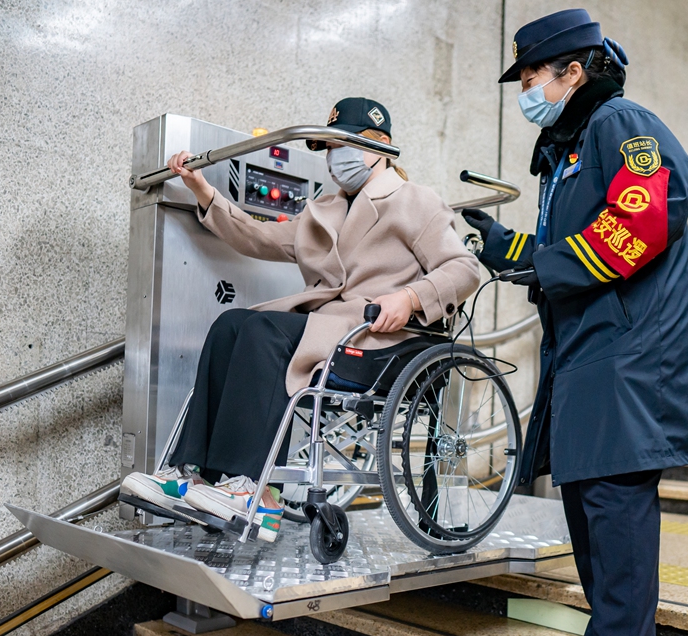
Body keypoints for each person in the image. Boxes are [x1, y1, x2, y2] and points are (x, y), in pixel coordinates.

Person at [461, 9, 688, 636]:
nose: (525, 88)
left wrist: (540, 261)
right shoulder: (570, 147)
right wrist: (507, 246)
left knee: (614, 507)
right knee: (585, 501)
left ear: (572, 70)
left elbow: (641, 222)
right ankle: (609, 634)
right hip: (588, 351)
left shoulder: (619, 123)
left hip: (629, 353)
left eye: (530, 74)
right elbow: (570, 246)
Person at [122, 97, 481, 543]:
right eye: (328, 147)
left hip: (380, 340)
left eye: (342, 144)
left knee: (262, 332)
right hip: (328, 330)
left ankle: (253, 488)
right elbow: (258, 236)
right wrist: (203, 192)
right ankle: (192, 473)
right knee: (231, 324)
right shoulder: (323, 209)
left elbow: (464, 269)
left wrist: (410, 298)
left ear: (380, 146)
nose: (335, 157)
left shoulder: (415, 201)